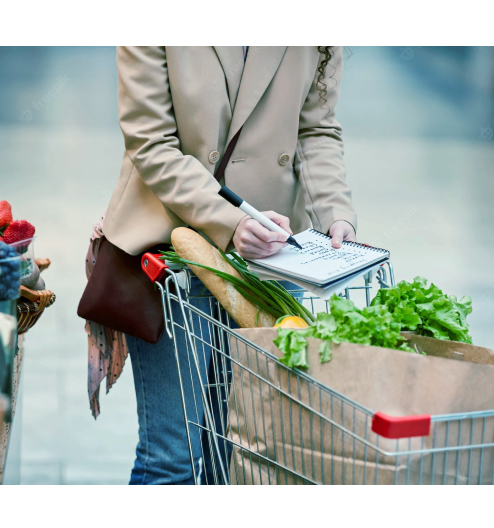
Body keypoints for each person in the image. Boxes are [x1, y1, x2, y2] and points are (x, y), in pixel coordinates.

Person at [93, 46, 357, 485]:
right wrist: (232, 222)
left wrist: (336, 214)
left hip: (271, 257)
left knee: (240, 456)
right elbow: (150, 141)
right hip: (172, 251)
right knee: (172, 457)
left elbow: (316, 128)